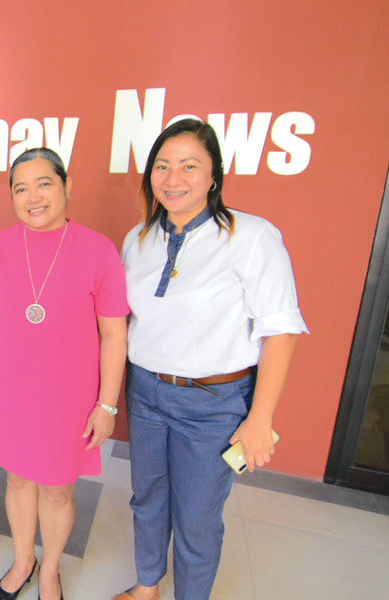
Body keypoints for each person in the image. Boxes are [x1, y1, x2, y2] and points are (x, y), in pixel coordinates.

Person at [115, 118, 308, 600]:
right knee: (147, 501)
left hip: (214, 402)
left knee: (197, 517)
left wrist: (260, 419)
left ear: (214, 176)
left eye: (188, 166)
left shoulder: (252, 236)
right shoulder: (138, 238)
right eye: (162, 166)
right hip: (145, 392)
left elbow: (281, 332)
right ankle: (146, 588)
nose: (173, 178)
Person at [0, 147, 129, 600]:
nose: (33, 197)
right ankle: (24, 561)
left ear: (66, 186)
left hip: (69, 398)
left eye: (44, 183)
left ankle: (50, 571)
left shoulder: (99, 251)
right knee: (17, 479)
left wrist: (106, 404)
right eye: (20, 188)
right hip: (10, 392)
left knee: (58, 491)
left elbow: (114, 336)